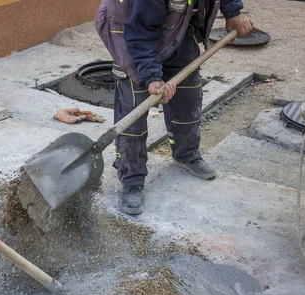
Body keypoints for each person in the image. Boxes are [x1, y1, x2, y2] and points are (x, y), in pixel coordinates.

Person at [96, 0, 254, 215]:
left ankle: (186, 154)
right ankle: (132, 179)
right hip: (130, 29)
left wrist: (233, 12)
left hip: (177, 23)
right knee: (135, 109)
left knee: (188, 95)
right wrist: (152, 77)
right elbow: (140, 31)